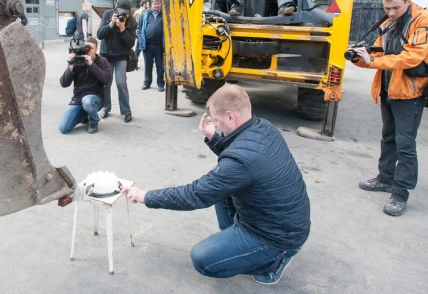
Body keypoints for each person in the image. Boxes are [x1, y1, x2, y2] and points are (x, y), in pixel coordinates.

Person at [122, 84, 310, 284]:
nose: (218, 125)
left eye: (218, 121)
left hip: (277, 236)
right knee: (221, 189)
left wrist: (146, 196)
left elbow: (196, 194)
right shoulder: (263, 127)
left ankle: (272, 262)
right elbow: (241, 158)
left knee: (203, 259)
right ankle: (241, 246)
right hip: (288, 220)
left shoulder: (241, 162)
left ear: (230, 116)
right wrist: (214, 138)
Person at [351, 0, 428, 217]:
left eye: (395, 8)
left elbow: (413, 57)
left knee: (406, 145)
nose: (390, 12)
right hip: (388, 89)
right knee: (388, 137)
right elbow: (380, 53)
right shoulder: (389, 22)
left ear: (408, 1)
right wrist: (361, 58)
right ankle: (385, 178)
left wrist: (373, 62)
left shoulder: (425, 20)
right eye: (387, 8)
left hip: (409, 92)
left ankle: (400, 193)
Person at [59, 37, 112, 134]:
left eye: (91, 48)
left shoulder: (102, 61)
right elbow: (64, 83)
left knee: (87, 101)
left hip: (94, 98)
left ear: (96, 49)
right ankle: (84, 115)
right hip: (78, 98)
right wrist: (71, 66)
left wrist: (91, 65)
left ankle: (94, 121)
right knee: (64, 128)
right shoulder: (77, 60)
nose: (88, 51)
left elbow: (107, 80)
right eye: (86, 48)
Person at [96, 0, 137, 123]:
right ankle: (106, 108)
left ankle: (126, 111)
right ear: (116, 10)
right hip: (106, 55)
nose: (123, 15)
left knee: (121, 83)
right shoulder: (108, 14)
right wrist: (110, 25)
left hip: (121, 57)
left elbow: (130, 43)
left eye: (126, 13)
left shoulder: (132, 21)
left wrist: (123, 29)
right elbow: (99, 34)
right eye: (121, 12)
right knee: (106, 83)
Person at [137, 0, 165, 91]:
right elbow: (139, 28)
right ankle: (147, 83)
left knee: (160, 66)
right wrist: (141, 40)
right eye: (154, 3)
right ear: (151, 3)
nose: (156, 5)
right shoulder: (145, 14)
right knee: (148, 65)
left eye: (158, 3)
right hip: (147, 45)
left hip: (159, 45)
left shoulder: (164, 14)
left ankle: (160, 84)